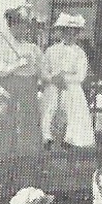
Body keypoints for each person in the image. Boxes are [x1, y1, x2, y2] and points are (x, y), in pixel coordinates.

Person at [0, 5, 44, 158]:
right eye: (18, 27)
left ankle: (25, 166)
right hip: (7, 93)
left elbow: (42, 71)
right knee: (3, 127)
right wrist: (15, 65)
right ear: (10, 27)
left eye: (24, 27)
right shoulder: (2, 47)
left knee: (26, 129)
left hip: (27, 93)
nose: (22, 31)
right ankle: (0, 166)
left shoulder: (33, 48)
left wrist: (33, 67)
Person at [41, 14, 96, 150]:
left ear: (77, 34)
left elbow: (80, 75)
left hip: (71, 89)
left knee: (73, 116)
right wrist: (52, 78)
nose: (70, 35)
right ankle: (47, 139)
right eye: (66, 32)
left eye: (73, 33)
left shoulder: (80, 53)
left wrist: (64, 78)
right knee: (48, 112)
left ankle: (70, 142)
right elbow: (43, 71)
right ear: (61, 32)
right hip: (53, 88)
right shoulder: (51, 50)